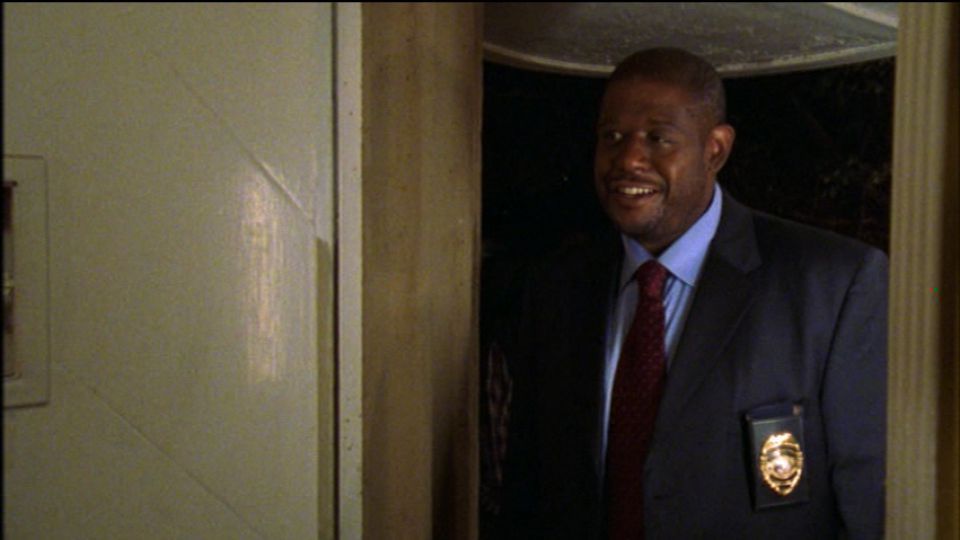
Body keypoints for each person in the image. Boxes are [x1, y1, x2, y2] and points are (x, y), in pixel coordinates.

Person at [495, 47, 887, 539]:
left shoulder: (832, 283)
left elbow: (869, 501)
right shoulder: (558, 288)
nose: (628, 159)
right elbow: (528, 495)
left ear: (715, 150)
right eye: (612, 136)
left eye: (658, 138)